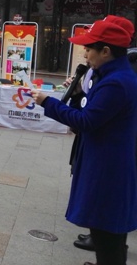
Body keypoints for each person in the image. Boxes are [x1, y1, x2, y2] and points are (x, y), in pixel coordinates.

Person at [31, 19, 137, 265]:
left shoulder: (115, 83)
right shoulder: (113, 76)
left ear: (105, 51)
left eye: (89, 49)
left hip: (107, 169)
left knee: (107, 233)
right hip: (105, 161)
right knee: (107, 231)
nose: (85, 54)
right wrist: (79, 95)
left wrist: (48, 102)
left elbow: (86, 121)